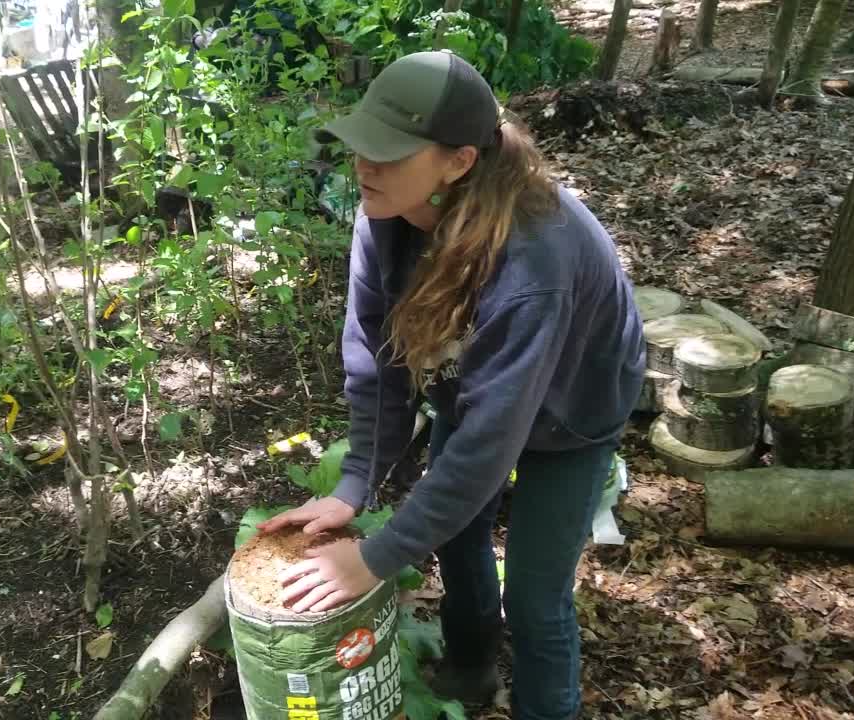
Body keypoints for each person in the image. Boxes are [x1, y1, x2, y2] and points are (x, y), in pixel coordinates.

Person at [256, 50, 646, 720]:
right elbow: (377, 359)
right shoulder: (385, 210)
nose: (364, 168)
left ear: (459, 161)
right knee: (457, 534)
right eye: (360, 147)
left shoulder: (533, 263)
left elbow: (493, 440)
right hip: (479, 385)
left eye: (389, 152)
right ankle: (469, 668)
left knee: (535, 595)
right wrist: (356, 483)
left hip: (574, 410)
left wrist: (374, 559)